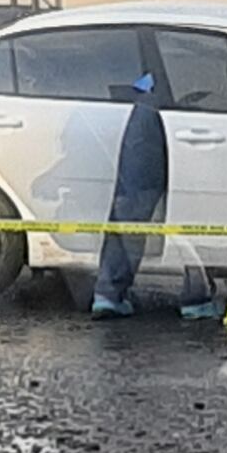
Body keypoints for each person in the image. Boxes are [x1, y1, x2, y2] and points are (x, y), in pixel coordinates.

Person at [92, 72, 216, 320]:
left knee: (131, 206)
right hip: (177, 111)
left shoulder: (141, 62)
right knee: (192, 209)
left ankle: (109, 294)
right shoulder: (193, 59)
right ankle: (196, 296)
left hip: (141, 112)